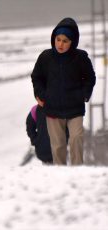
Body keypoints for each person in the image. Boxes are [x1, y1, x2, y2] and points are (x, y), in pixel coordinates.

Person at [31, 17, 96, 165]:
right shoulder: (45, 57)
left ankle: (78, 171)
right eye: (58, 39)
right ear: (54, 38)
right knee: (58, 146)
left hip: (75, 108)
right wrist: (40, 95)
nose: (60, 44)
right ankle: (60, 176)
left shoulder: (81, 57)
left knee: (76, 138)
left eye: (65, 41)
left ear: (73, 42)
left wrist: (84, 94)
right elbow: (37, 77)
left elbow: (90, 78)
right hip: (52, 108)